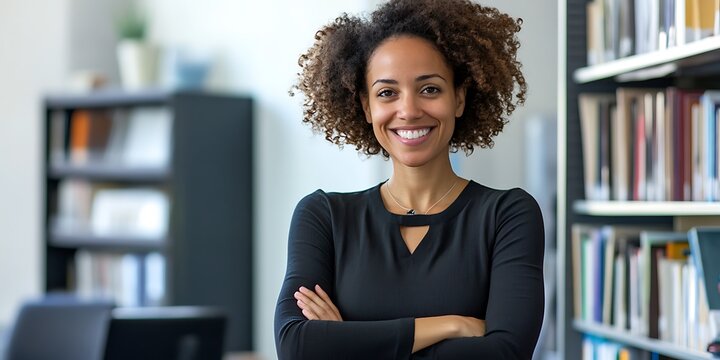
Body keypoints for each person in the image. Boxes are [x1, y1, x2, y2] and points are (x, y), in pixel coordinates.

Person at [274, 0, 545, 358]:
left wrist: (349, 342)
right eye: (387, 93)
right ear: (367, 106)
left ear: (459, 98)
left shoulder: (507, 214)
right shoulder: (323, 215)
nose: (409, 110)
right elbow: (297, 346)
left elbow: (504, 353)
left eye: (430, 89)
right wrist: (451, 325)